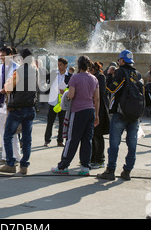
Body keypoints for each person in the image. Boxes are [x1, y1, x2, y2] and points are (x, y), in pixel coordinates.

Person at [97, 50, 142, 181]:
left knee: (114, 144)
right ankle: (127, 171)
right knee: (132, 145)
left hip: (121, 114)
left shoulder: (121, 71)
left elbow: (111, 89)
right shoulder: (137, 74)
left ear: (122, 60)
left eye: (119, 60)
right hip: (134, 115)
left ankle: (110, 171)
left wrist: (110, 75)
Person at [51, 56, 99, 176]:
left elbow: (71, 95)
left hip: (78, 111)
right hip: (90, 111)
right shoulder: (94, 79)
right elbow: (97, 98)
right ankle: (85, 167)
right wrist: (97, 115)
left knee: (72, 139)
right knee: (87, 140)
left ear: (78, 65)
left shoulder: (75, 78)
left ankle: (63, 166)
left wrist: (65, 93)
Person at [0, 49, 38, 175]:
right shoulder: (35, 70)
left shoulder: (18, 71)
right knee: (27, 138)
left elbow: (7, 89)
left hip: (17, 108)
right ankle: (24, 166)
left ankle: (10, 163)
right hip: (30, 108)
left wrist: (3, 89)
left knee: (8, 135)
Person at [0, 46, 21, 165]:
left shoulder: (17, 68)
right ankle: (6, 156)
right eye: (0, 55)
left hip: (12, 103)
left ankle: (15, 157)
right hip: (1, 103)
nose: (1, 58)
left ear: (10, 54)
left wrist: (6, 90)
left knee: (11, 131)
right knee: (2, 131)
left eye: (3, 55)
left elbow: (17, 87)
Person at [44, 57, 71, 147]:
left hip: (63, 102)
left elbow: (72, 88)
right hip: (52, 101)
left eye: (61, 65)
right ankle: (47, 140)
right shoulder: (53, 73)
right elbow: (44, 79)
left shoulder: (70, 76)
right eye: (58, 65)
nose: (59, 66)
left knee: (62, 122)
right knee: (50, 122)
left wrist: (66, 91)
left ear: (65, 65)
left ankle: (60, 140)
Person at [89, 61, 110, 169]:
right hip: (93, 107)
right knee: (92, 135)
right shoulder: (93, 76)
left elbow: (101, 92)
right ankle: (92, 158)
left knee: (98, 134)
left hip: (100, 109)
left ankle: (100, 159)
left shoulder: (100, 77)